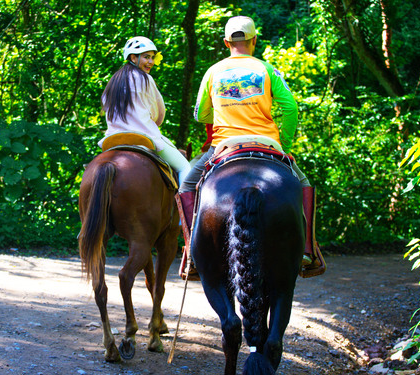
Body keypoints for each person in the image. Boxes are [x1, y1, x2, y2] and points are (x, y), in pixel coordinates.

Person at [177, 16, 325, 277]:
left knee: (187, 185)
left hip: (224, 146)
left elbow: (200, 114)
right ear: (254, 40)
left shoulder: (213, 72)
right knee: (303, 184)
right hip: (266, 143)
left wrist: (224, 113)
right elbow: (290, 108)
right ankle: (307, 250)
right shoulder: (267, 70)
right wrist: (285, 145)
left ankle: (192, 254)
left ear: (226, 42)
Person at [99, 36, 191, 185]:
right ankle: (187, 209)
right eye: (146, 57)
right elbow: (158, 114)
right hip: (143, 137)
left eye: (152, 57)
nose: (151, 62)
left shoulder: (112, 82)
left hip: (113, 139)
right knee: (184, 167)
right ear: (133, 58)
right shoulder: (145, 79)